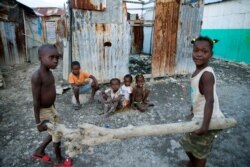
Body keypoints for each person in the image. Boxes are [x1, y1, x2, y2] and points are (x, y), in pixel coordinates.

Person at [179, 36, 225, 167]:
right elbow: (200, 96)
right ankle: (192, 162)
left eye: (204, 51)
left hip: (208, 119)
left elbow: (209, 101)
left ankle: (196, 164)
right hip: (197, 114)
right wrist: (193, 109)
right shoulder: (198, 71)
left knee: (200, 151)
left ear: (211, 54)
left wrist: (205, 126)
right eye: (196, 50)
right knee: (186, 142)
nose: (199, 54)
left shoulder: (206, 75)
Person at [31, 44, 73, 166]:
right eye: (51, 57)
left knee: (56, 130)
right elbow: (36, 100)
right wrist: (38, 123)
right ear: (40, 58)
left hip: (51, 108)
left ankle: (39, 151)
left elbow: (51, 92)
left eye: (57, 57)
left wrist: (53, 107)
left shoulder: (49, 73)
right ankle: (59, 160)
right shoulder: (37, 76)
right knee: (57, 133)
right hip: (43, 111)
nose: (55, 60)